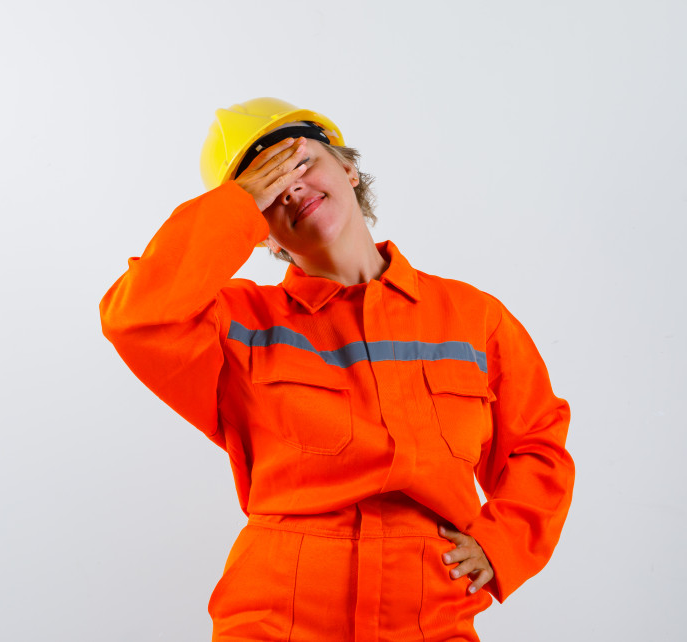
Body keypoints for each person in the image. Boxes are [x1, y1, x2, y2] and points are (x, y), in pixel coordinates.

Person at [100, 97, 574, 641]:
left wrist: (502, 543)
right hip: (277, 621)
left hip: (430, 619)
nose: (291, 187)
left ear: (349, 167)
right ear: (263, 235)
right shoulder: (235, 324)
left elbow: (536, 444)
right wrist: (236, 207)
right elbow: (135, 317)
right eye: (267, 189)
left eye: (298, 163)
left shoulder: (473, 319)